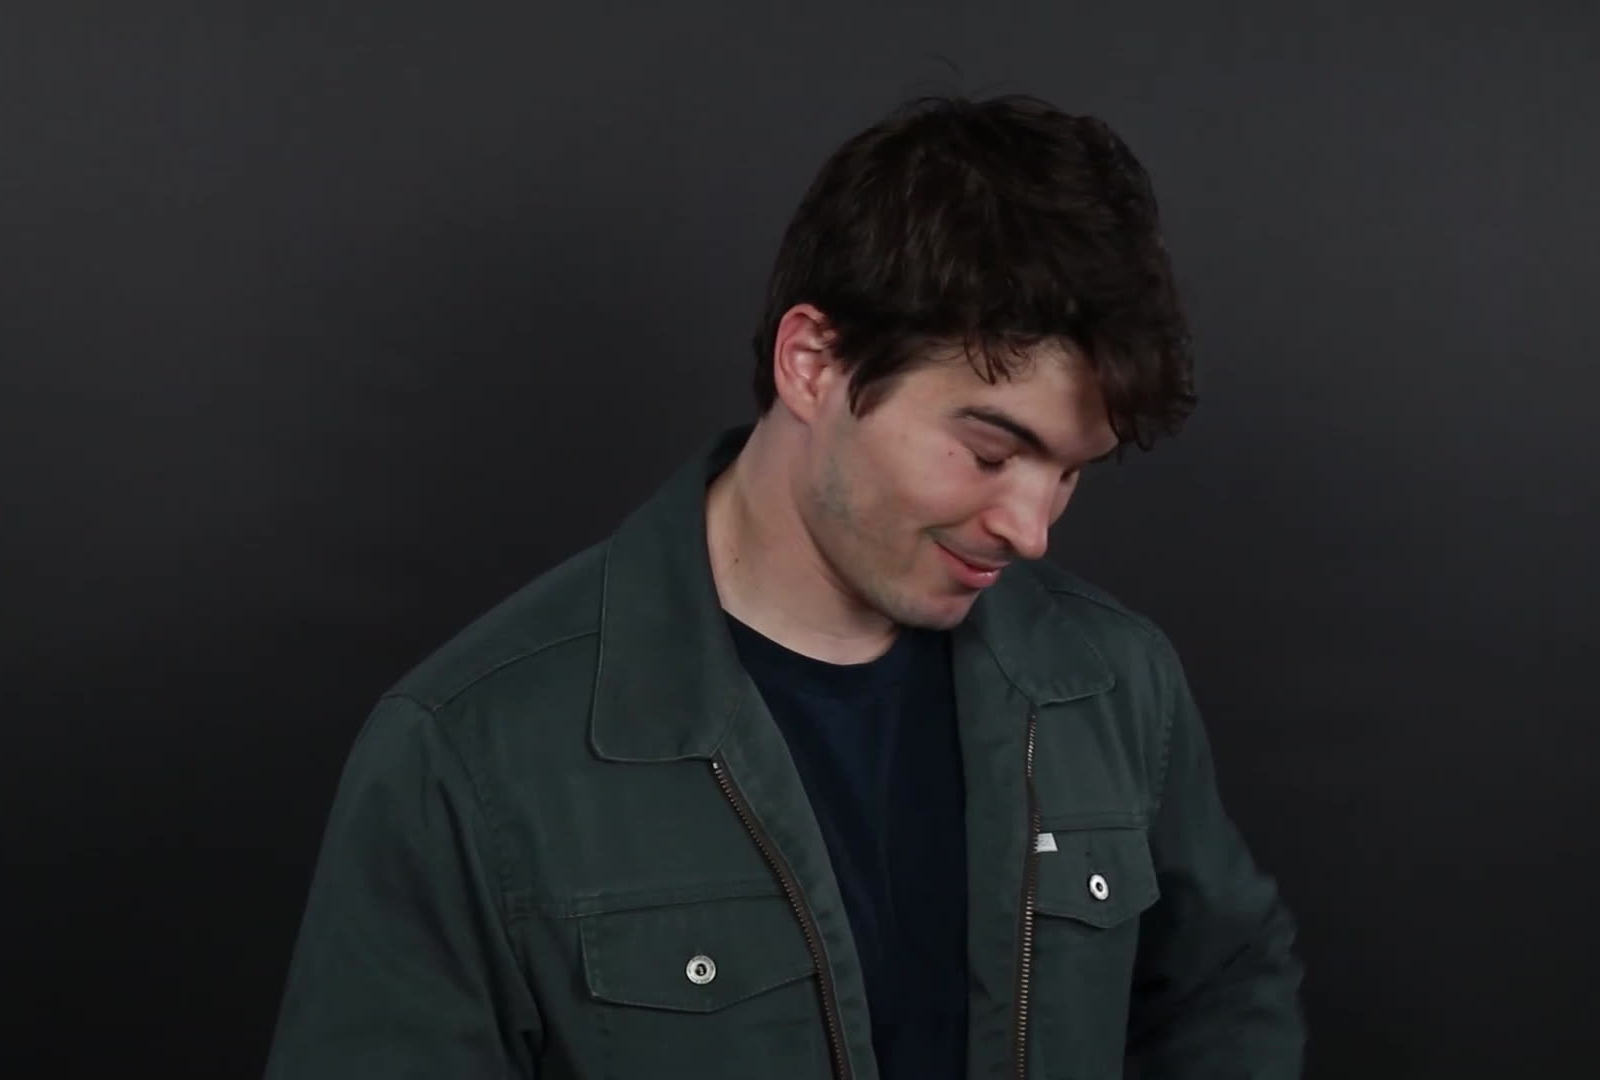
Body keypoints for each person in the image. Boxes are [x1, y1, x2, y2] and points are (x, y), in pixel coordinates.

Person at [266, 92, 1304, 1080]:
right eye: (990, 452)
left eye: (1071, 472)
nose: (1031, 531)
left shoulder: (1116, 682)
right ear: (812, 363)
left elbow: (1226, 981)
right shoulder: (465, 751)